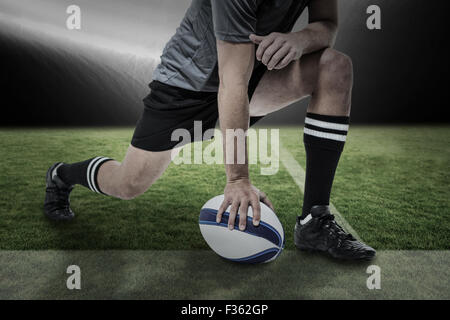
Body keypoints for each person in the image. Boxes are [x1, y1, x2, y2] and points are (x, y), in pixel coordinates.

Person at [44, 0, 376, 260]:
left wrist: (299, 40)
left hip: (252, 78)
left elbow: (327, 23)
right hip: (188, 83)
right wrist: (238, 179)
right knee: (128, 184)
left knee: (334, 67)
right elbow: (231, 82)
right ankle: (61, 175)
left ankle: (314, 223)